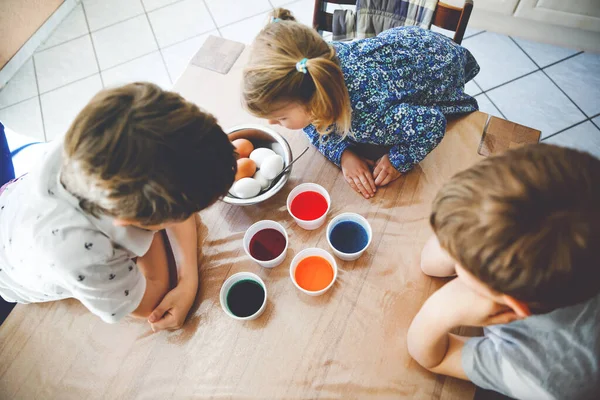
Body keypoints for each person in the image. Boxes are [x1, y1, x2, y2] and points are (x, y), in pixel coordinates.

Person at [0, 83, 237, 331]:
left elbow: (174, 184)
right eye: (189, 212)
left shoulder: (104, 132)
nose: (191, 216)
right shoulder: (84, 257)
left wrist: (189, 279)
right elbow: (151, 301)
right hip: (15, 273)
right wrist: (182, 277)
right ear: (129, 221)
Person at [407, 144, 600, 399]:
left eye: (458, 255)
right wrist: (466, 230)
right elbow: (430, 262)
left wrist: (438, 313)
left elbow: (433, 358)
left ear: (510, 305)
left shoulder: (540, 374)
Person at [243, 8, 479, 199]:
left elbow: (432, 124)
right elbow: (310, 121)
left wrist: (398, 160)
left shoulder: (367, 118)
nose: (272, 122)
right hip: (409, 48)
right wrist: (343, 153)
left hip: (441, 66)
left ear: (316, 103)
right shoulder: (318, 64)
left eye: (281, 117)